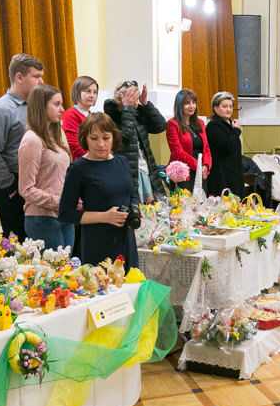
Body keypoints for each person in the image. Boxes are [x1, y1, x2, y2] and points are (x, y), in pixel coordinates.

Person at [58, 113, 139, 270]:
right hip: (98, 242)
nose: (101, 144)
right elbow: (65, 213)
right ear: (85, 140)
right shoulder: (79, 168)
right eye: (94, 138)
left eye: (106, 138)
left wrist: (134, 211)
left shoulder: (122, 162)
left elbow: (132, 195)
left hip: (125, 240)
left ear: (113, 138)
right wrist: (105, 217)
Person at [0, 53, 44, 240]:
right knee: (20, 244)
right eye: (36, 76)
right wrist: (10, 186)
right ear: (19, 77)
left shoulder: (34, 107)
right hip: (12, 186)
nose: (41, 82)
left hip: (34, 183)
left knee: (37, 241)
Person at [18, 84, 73, 249]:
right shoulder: (32, 140)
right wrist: (60, 201)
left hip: (63, 213)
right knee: (57, 269)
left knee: (68, 269)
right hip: (41, 217)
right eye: (56, 104)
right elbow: (26, 189)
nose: (62, 109)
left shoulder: (54, 137)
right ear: (41, 107)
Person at [103, 81, 168, 203]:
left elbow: (161, 126)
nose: (134, 101)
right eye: (130, 97)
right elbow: (125, 136)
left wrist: (145, 104)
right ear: (120, 98)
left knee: (152, 209)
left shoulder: (139, 112)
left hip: (147, 168)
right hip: (129, 172)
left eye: (136, 98)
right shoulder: (112, 115)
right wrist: (127, 108)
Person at [166, 89, 212, 191]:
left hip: (200, 171)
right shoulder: (172, 124)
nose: (191, 106)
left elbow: (206, 148)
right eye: (187, 103)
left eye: (193, 102)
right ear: (179, 105)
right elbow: (177, 151)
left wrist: (206, 165)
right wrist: (197, 165)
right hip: (182, 172)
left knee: (200, 204)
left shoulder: (200, 122)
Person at [205, 91, 244, 197]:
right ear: (215, 108)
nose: (229, 110)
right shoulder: (213, 126)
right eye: (225, 106)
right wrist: (236, 131)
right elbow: (227, 146)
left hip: (233, 173)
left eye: (231, 107)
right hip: (221, 176)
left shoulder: (229, 124)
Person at [62, 76, 99, 161]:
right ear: (77, 92)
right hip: (82, 162)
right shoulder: (70, 114)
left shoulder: (92, 115)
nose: (92, 95)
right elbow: (74, 145)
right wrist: (96, 158)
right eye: (88, 91)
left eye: (95, 92)